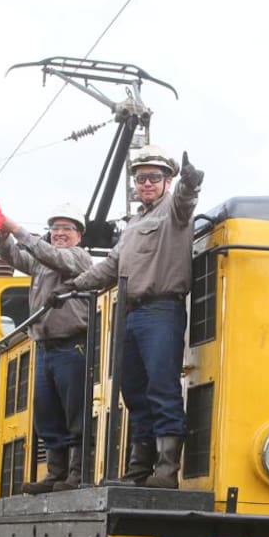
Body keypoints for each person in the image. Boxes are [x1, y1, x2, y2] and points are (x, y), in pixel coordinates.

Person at [66, 145, 204, 489]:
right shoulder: (132, 225)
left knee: (162, 386)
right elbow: (111, 266)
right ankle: (139, 471)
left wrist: (191, 181)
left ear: (167, 181)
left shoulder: (174, 210)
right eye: (141, 178)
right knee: (135, 392)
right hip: (131, 316)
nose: (146, 184)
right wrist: (72, 287)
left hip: (162, 310)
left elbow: (187, 199)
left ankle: (167, 471)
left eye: (154, 177)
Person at [0, 207, 95, 492]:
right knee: (47, 412)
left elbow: (51, 255)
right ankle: (55, 473)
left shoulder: (78, 257)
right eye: (55, 228)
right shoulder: (42, 261)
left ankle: (76, 474)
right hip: (45, 347)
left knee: (75, 409)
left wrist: (17, 229)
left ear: (78, 235)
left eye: (67, 228)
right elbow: (15, 257)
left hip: (72, 344)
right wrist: (3, 238)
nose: (60, 233)